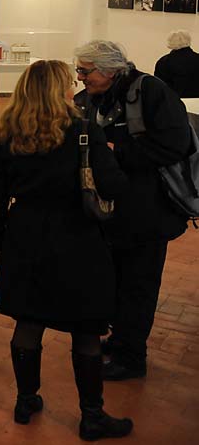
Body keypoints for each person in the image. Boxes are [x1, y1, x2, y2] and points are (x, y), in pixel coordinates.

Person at [0, 59, 134, 440]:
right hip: (77, 237)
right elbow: (114, 186)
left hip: (26, 235)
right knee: (85, 329)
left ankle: (26, 399)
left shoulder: (7, 134)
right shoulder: (83, 131)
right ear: (59, 90)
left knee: (29, 321)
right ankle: (92, 415)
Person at [74, 40, 190, 380]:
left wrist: (114, 149)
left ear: (109, 70)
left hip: (147, 213)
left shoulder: (152, 92)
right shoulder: (99, 95)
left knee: (139, 284)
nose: (80, 77)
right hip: (115, 212)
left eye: (85, 70)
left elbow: (174, 145)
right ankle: (122, 339)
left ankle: (132, 357)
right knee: (118, 279)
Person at [153, 30, 199, 98]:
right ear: (189, 41)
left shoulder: (164, 62)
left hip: (174, 103)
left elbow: (159, 87)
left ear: (170, 42)